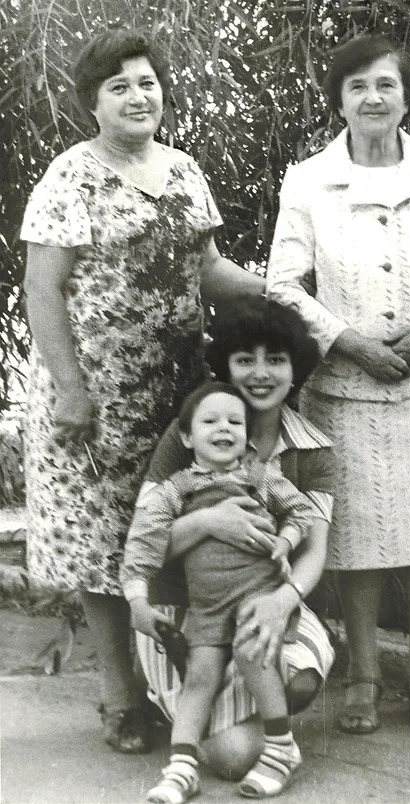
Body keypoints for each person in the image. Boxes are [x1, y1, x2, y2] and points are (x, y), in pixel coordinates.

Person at [20, 28, 264, 754]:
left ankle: (182, 688)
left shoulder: (185, 169)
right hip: (94, 398)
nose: (138, 95)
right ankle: (121, 698)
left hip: (177, 393)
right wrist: (69, 389)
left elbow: (208, 270)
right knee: (103, 548)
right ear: (92, 103)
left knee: (170, 532)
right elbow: (42, 289)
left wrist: (276, 293)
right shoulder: (70, 176)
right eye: (119, 85)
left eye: (148, 81)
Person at [266, 33, 410, 735]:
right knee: (356, 537)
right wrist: (347, 341)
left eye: (385, 86)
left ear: (406, 97)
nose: (371, 98)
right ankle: (365, 673)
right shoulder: (308, 179)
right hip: (346, 384)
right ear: (337, 100)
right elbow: (283, 284)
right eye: (357, 87)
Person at [134, 297, 335, 786]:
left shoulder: (313, 447)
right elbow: (145, 539)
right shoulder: (191, 431)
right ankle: (194, 711)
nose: (260, 373)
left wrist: (280, 601)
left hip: (264, 596)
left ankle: (261, 724)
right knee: (231, 758)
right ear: (226, 365)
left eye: (276, 359)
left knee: (300, 677)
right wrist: (209, 522)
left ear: (295, 369)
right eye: (245, 359)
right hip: (189, 606)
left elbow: (315, 548)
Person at [123, 381, 314, 801]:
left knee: (252, 649)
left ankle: (281, 748)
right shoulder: (175, 489)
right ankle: (182, 767)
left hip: (258, 596)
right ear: (187, 436)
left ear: (247, 434)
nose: (223, 428)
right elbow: (143, 543)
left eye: (235, 421)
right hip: (208, 607)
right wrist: (137, 599)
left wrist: (284, 542)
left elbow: (301, 511)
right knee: (199, 678)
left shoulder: (258, 477)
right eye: (210, 421)